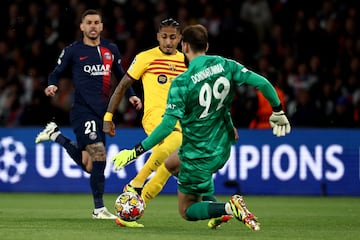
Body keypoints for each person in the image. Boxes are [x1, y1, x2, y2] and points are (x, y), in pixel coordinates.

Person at [111, 24, 291, 231]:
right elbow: (263, 83)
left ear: (184, 46)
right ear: (206, 46)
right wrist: (278, 111)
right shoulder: (226, 65)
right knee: (171, 163)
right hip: (222, 146)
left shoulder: (182, 82)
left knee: (187, 210)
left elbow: (167, 126)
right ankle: (216, 212)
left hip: (197, 151)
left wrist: (135, 151)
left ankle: (228, 208)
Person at [35, 9, 142, 223]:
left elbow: (122, 77)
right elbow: (57, 71)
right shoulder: (73, 51)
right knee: (99, 155)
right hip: (83, 112)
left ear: (101, 26)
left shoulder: (110, 50)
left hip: (103, 115)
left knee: (90, 165)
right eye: (89, 23)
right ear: (82, 27)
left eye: (96, 22)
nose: (93, 26)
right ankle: (99, 209)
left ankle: (56, 136)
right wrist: (52, 84)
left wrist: (131, 95)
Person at [103, 18, 185, 205]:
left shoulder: (185, 61)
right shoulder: (145, 57)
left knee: (172, 164)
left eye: (173, 37)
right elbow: (122, 86)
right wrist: (108, 116)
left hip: (180, 119)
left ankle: (138, 201)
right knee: (175, 141)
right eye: (164, 37)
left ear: (180, 38)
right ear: (158, 37)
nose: (168, 42)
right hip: (155, 116)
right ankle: (136, 184)